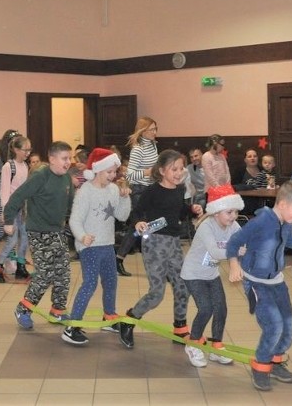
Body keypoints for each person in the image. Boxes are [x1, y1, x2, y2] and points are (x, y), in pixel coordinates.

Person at [225, 180, 292, 391]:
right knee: (273, 325)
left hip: (277, 282)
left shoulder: (287, 221)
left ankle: (275, 362)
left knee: (288, 326)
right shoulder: (261, 221)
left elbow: (288, 240)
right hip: (256, 282)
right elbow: (233, 243)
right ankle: (261, 366)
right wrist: (234, 264)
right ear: (282, 204)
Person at [118, 149, 203, 349]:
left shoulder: (179, 189)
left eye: (182, 168)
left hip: (173, 243)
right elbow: (137, 211)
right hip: (154, 244)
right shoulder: (152, 191)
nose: (179, 172)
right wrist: (138, 222)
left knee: (183, 287)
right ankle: (128, 321)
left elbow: (179, 211)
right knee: (157, 293)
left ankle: (180, 328)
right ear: (162, 170)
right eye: (174, 169)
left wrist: (191, 210)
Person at [62, 148, 131, 345]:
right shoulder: (85, 192)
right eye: (108, 172)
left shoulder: (112, 190)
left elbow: (122, 216)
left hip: (107, 244)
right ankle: (72, 326)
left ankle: (109, 317)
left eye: (114, 172)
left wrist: (125, 197)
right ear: (97, 170)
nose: (112, 176)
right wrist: (82, 237)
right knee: (90, 283)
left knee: (110, 281)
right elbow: (75, 219)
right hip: (89, 247)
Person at [5, 141, 75, 329]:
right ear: (52, 159)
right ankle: (23, 309)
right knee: (45, 274)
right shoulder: (40, 176)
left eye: (70, 158)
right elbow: (17, 196)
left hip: (58, 232)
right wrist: (8, 221)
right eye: (64, 158)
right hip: (38, 232)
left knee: (63, 273)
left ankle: (57, 311)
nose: (68, 162)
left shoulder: (67, 179)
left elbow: (71, 204)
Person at [180, 184, 245, 367]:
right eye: (229, 212)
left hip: (211, 273)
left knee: (221, 308)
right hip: (193, 274)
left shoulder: (233, 225)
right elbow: (216, 252)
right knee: (206, 308)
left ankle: (216, 346)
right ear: (216, 212)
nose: (233, 217)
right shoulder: (206, 227)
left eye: (235, 212)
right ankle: (193, 344)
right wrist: (238, 251)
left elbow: (244, 240)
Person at [115, 117, 159, 277]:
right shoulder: (137, 149)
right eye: (152, 129)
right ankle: (155, 264)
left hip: (151, 189)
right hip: (139, 191)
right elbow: (131, 175)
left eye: (156, 129)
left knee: (140, 228)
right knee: (145, 227)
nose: (155, 132)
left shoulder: (153, 146)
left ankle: (119, 258)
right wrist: (148, 172)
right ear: (143, 131)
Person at [0, 135, 32, 283]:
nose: (28, 152)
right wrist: (5, 212)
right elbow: (4, 191)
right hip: (10, 209)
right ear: (16, 149)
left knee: (24, 239)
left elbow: (25, 189)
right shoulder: (9, 166)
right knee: (12, 239)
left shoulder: (25, 166)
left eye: (29, 149)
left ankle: (21, 267)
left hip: (22, 208)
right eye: (25, 149)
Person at [0, 129, 21, 260]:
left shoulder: (17, 161)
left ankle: (10, 257)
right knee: (0, 230)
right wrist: (1, 183)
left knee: (12, 230)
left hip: (12, 201)